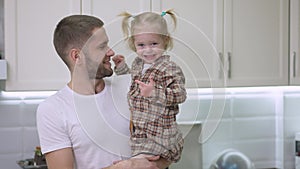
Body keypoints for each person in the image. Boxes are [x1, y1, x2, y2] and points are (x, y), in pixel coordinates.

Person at [36, 14, 170, 169]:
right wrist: (123, 167)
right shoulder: (53, 110)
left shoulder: (132, 86)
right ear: (77, 56)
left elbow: (168, 150)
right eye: (102, 47)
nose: (111, 52)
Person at [112, 10, 187, 167]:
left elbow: (180, 95)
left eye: (154, 44)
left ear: (165, 42)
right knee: (137, 162)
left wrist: (155, 93)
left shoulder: (170, 68)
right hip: (142, 135)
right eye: (141, 45)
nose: (148, 50)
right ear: (134, 45)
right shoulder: (138, 65)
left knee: (138, 164)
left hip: (162, 135)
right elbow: (133, 82)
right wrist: (121, 68)